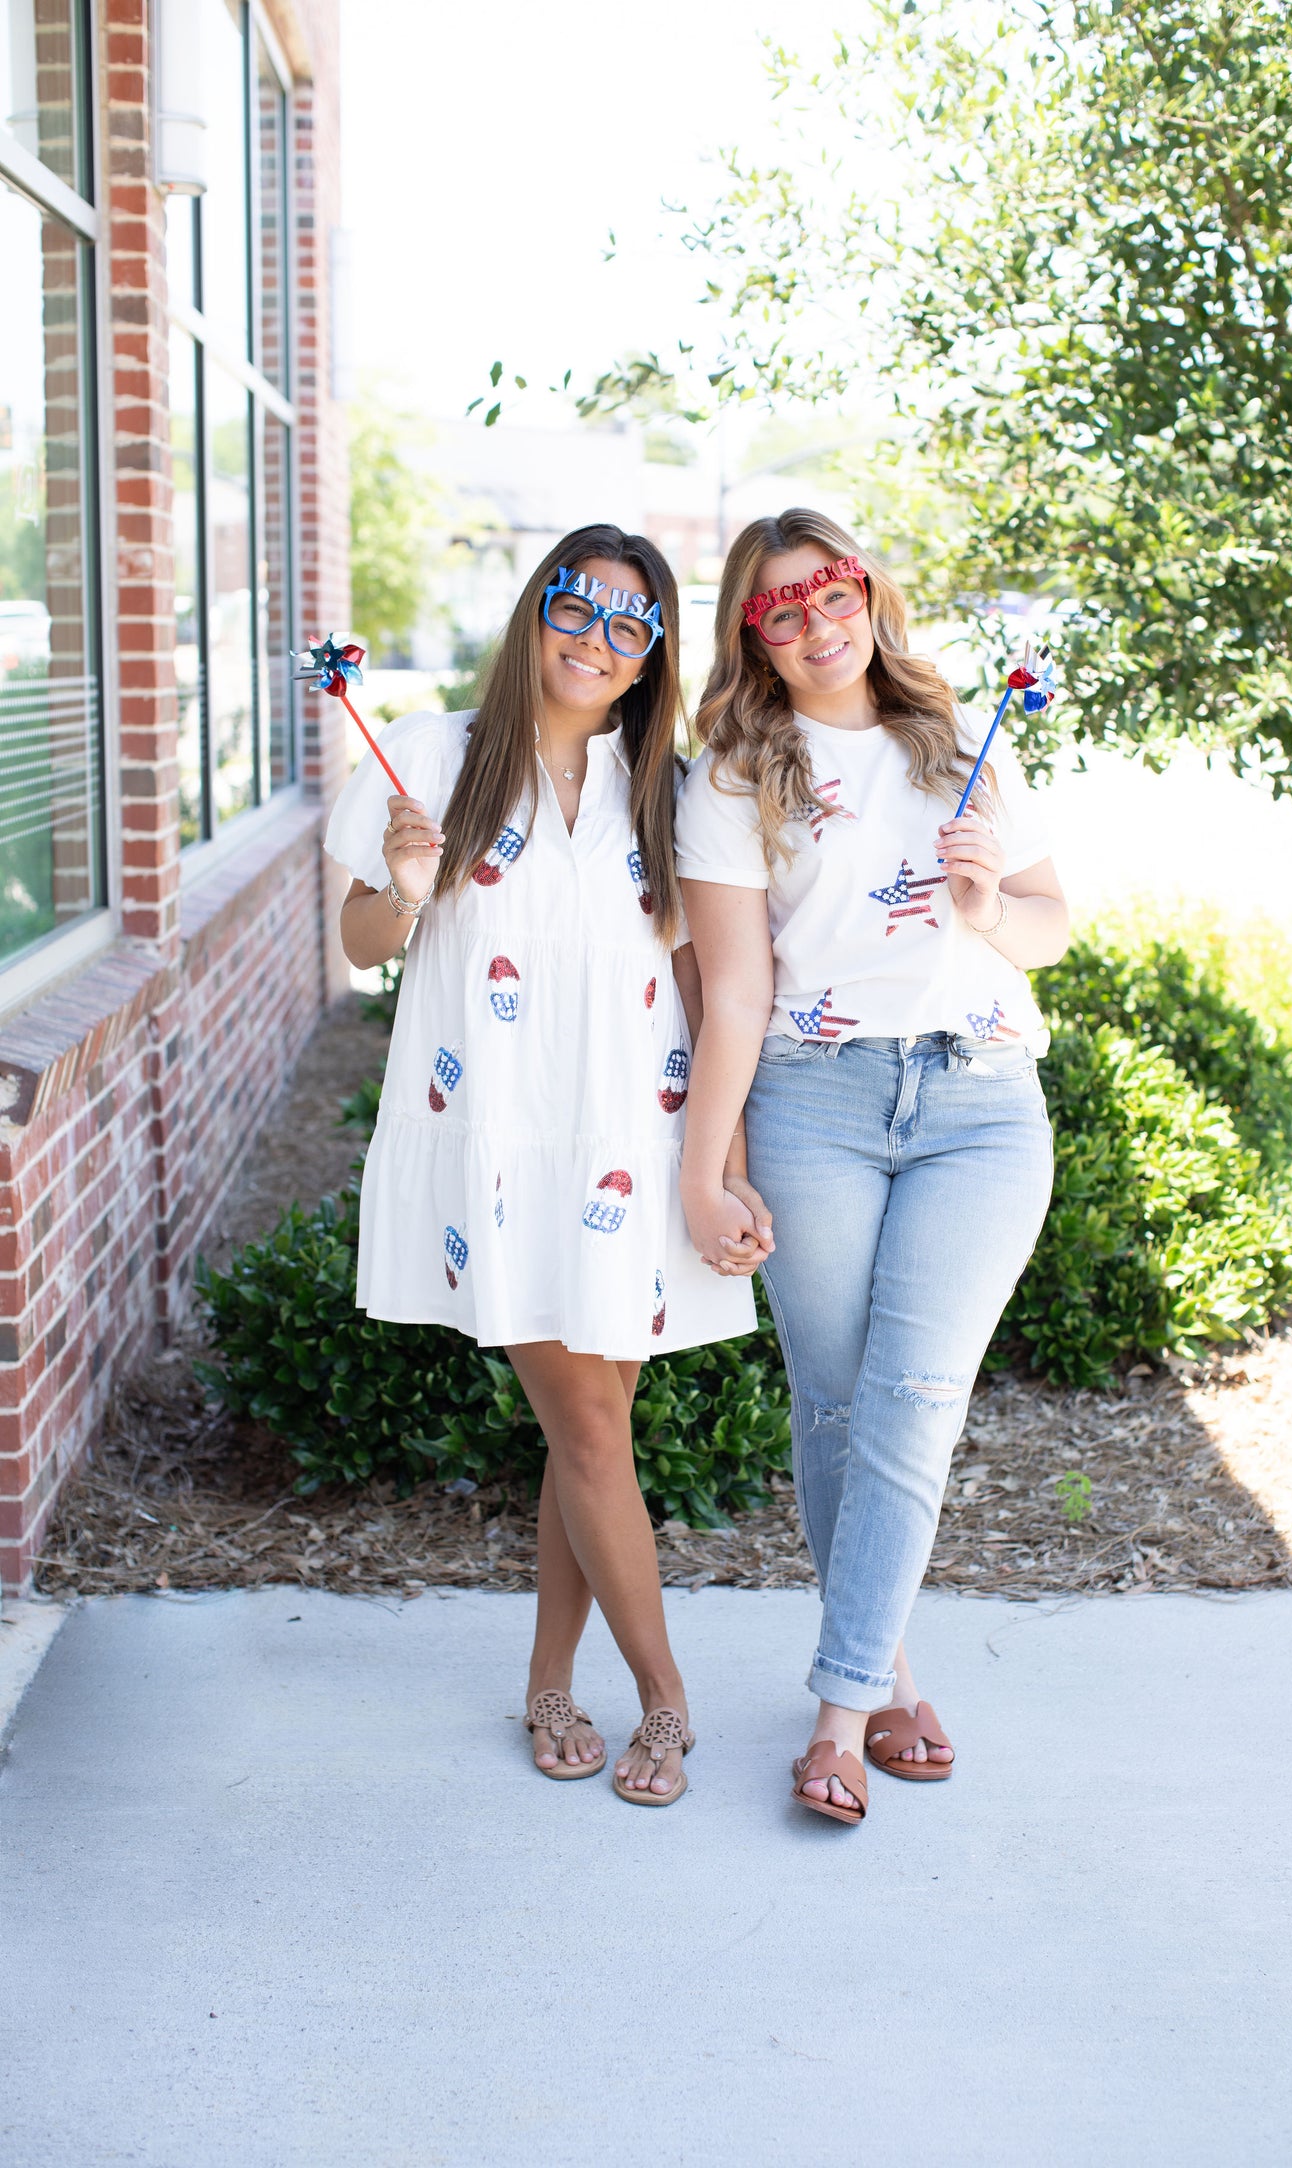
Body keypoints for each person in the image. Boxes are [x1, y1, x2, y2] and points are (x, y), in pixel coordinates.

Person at [324, 525, 762, 1807]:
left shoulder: (663, 784)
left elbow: (695, 975)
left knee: (595, 1430)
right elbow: (359, 943)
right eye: (579, 607)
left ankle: (548, 1681)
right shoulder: (433, 752)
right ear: (534, 613)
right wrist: (407, 887)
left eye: (634, 626)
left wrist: (720, 1159)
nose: (599, 639)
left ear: (650, 660)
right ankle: (668, 1703)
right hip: (501, 1140)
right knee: (582, 1421)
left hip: (631, 1136)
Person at [676, 508, 1069, 1825]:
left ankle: (838, 1718)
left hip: (978, 1100)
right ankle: (893, 1674)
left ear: (867, 594)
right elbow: (731, 995)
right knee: (839, 1406)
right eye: (778, 612)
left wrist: (983, 908)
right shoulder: (734, 776)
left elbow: (1048, 925)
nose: (813, 625)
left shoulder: (963, 741)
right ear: (753, 638)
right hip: (815, 1103)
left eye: (828, 594)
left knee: (912, 1395)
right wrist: (706, 1166)